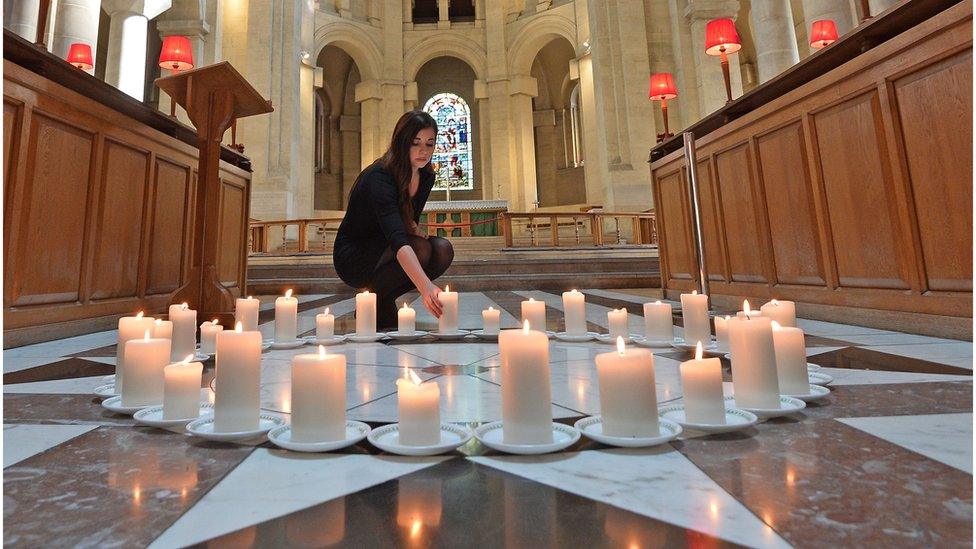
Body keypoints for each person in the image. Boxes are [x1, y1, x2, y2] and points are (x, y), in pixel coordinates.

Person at [333, 111, 455, 330]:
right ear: (401, 142)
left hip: (389, 246)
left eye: (429, 144)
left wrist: (414, 228)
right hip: (355, 254)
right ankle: (374, 300)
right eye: (415, 143)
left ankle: (378, 299)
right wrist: (426, 288)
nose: (423, 151)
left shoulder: (426, 175)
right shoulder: (379, 175)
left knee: (442, 249)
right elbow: (398, 239)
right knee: (420, 249)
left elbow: (408, 220)